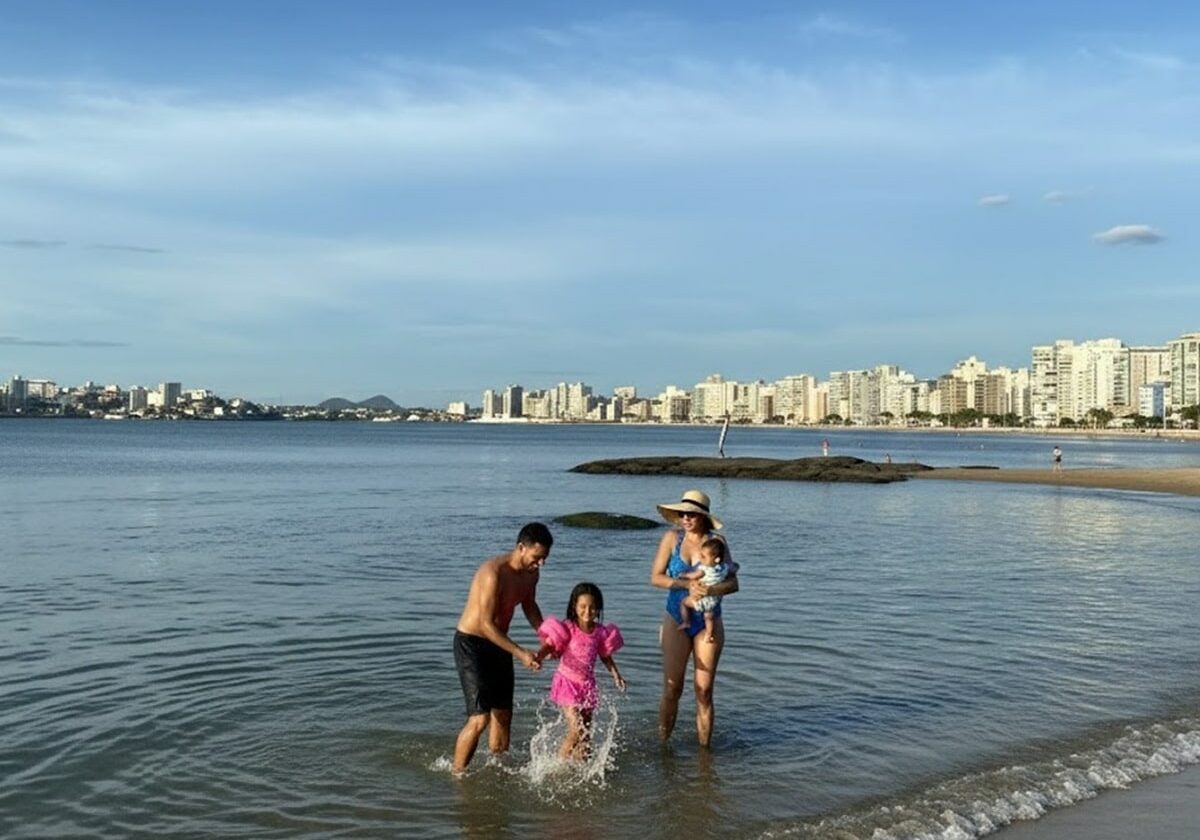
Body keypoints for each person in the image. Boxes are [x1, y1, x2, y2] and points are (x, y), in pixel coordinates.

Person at [452, 522, 552, 773]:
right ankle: (457, 775)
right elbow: (485, 624)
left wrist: (547, 637)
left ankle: (498, 769)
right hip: (472, 643)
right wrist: (520, 653)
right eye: (537, 557)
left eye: (544, 559)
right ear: (521, 547)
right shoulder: (493, 573)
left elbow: (529, 605)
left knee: (503, 715)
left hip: (499, 644)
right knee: (480, 719)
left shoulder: (532, 574)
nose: (541, 564)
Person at [650, 490, 739, 747]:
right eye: (682, 513)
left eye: (691, 514)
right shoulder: (671, 538)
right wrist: (683, 585)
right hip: (675, 617)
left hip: (709, 620)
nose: (686, 518)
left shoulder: (717, 541)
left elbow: (733, 583)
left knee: (704, 691)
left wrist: (711, 590)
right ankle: (663, 746)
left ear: (703, 516)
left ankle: (704, 759)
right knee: (672, 688)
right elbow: (655, 577)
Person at [535, 582, 627, 760]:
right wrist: (538, 656)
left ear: (598, 608)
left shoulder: (600, 632)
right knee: (576, 729)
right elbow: (550, 644)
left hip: (587, 686)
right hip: (567, 683)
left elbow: (605, 655)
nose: (588, 611)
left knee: (585, 734)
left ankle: (583, 770)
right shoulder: (568, 628)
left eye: (592, 607)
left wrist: (616, 674)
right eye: (583, 606)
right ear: (574, 607)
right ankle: (558, 767)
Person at [674, 537, 729, 643]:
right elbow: (731, 571)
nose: (701, 559)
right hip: (713, 602)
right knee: (709, 617)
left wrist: (683, 575)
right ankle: (709, 634)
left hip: (699, 600)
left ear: (716, 559)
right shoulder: (723, 569)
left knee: (684, 603)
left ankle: (686, 621)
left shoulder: (704, 570)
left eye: (703, 557)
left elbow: (693, 576)